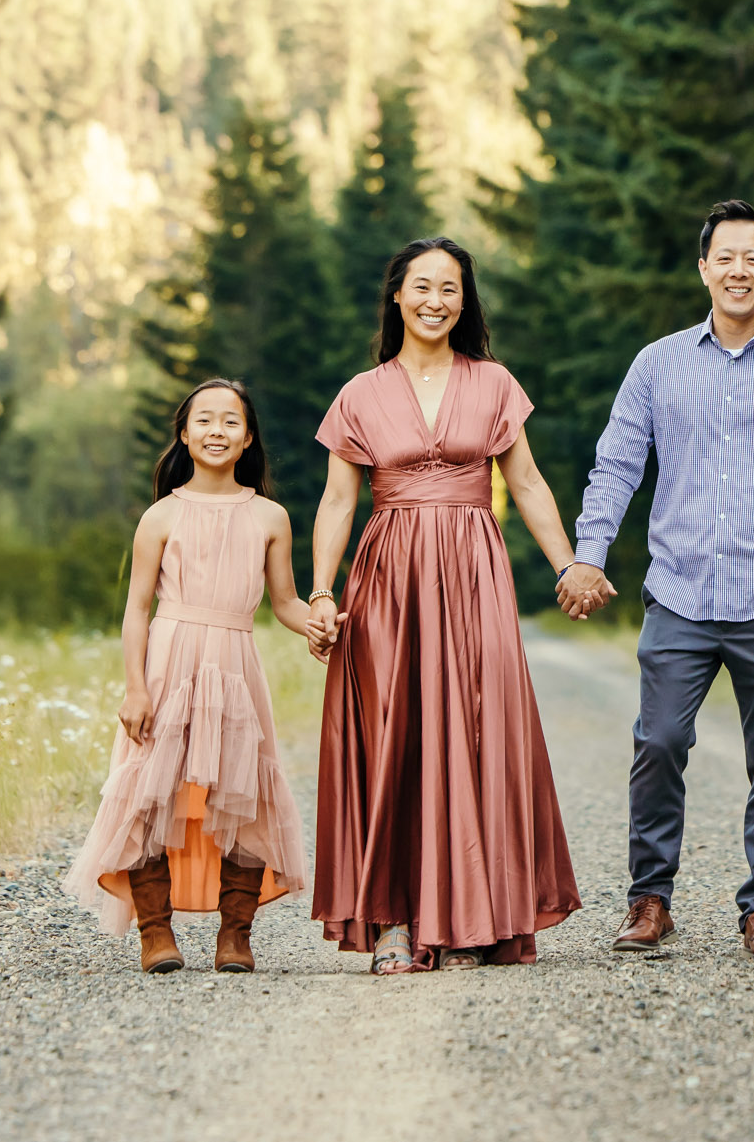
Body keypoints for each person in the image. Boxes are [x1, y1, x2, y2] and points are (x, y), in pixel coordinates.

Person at [560, 199, 754, 960]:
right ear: (704, 268)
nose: (738, 269)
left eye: (751, 257)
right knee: (658, 743)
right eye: (723, 256)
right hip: (681, 592)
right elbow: (618, 465)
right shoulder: (658, 363)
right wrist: (588, 553)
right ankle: (649, 899)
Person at [307, 237, 584, 973]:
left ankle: (471, 918)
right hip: (388, 577)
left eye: (451, 288)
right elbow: (338, 499)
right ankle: (395, 921)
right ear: (396, 294)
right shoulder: (360, 394)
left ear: (466, 301)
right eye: (423, 285)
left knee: (478, 734)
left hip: (473, 573)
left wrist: (568, 563)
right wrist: (323, 591)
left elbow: (524, 482)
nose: (436, 300)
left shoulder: (492, 381)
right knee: (397, 741)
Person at [63, 379, 316, 974]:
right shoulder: (161, 515)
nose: (217, 432)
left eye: (231, 422)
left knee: (242, 794)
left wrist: (319, 626)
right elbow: (136, 610)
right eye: (204, 421)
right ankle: (156, 933)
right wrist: (135, 686)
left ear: (249, 436)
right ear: (184, 433)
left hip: (235, 662)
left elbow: (284, 602)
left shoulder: (270, 515)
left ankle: (236, 936)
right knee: (154, 791)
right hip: (170, 660)